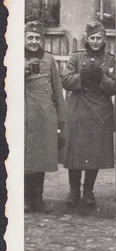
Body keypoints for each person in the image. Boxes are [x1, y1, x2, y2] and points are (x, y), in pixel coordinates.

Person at [61, 20, 116, 206]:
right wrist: (81, 76)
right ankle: (74, 190)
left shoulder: (110, 60)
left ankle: (88, 191)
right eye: (92, 38)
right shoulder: (76, 58)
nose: (95, 41)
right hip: (78, 109)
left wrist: (102, 77)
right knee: (75, 152)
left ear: (104, 39)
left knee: (94, 152)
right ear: (87, 38)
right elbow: (66, 81)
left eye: (98, 38)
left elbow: (114, 88)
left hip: (99, 111)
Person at [24, 21, 66, 213]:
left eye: (37, 38)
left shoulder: (48, 60)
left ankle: (37, 199)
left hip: (43, 115)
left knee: (40, 159)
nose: (34, 41)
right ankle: (24, 199)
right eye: (30, 37)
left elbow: (57, 89)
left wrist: (61, 119)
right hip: (22, 114)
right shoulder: (12, 56)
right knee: (23, 159)